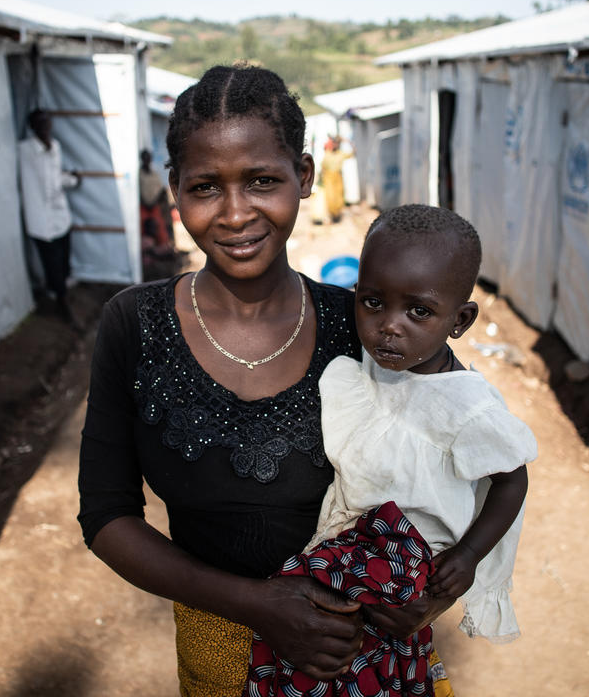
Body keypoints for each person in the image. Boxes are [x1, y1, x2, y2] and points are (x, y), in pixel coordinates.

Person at [79, 64, 419, 696]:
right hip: (218, 657)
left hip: (356, 655)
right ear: (175, 192)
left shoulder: (364, 328)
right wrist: (257, 605)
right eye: (206, 187)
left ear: (305, 177)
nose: (236, 214)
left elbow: (459, 460)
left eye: (263, 180)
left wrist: (424, 593)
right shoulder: (135, 324)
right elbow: (106, 516)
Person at [244, 205, 537, 696]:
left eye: (418, 311)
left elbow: (513, 480)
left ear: (460, 320)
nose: (388, 326)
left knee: (362, 671)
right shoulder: (371, 368)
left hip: (402, 572)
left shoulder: (465, 407)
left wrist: (467, 556)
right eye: (373, 302)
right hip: (353, 550)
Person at [17, 109, 81, 327]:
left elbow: (55, 180)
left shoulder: (55, 147)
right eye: (40, 123)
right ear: (32, 126)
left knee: (62, 262)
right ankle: (62, 304)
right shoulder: (24, 151)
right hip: (41, 221)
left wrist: (72, 179)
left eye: (47, 122)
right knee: (51, 264)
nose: (45, 126)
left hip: (60, 216)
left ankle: (59, 295)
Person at [138, 147, 175, 278]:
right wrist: (148, 202)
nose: (147, 160)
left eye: (149, 157)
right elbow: (138, 193)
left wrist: (157, 199)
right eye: (145, 157)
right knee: (146, 231)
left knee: (160, 230)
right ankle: (147, 257)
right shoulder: (139, 175)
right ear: (142, 159)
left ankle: (159, 253)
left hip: (154, 207)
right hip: (144, 208)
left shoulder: (154, 174)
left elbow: (160, 190)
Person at [320, 136, 350, 223]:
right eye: (333, 143)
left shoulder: (341, 154)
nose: (334, 145)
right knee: (330, 196)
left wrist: (348, 141)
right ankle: (333, 215)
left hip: (338, 177)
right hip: (328, 178)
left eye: (336, 143)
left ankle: (337, 215)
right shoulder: (327, 153)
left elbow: (353, 153)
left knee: (339, 196)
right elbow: (323, 167)